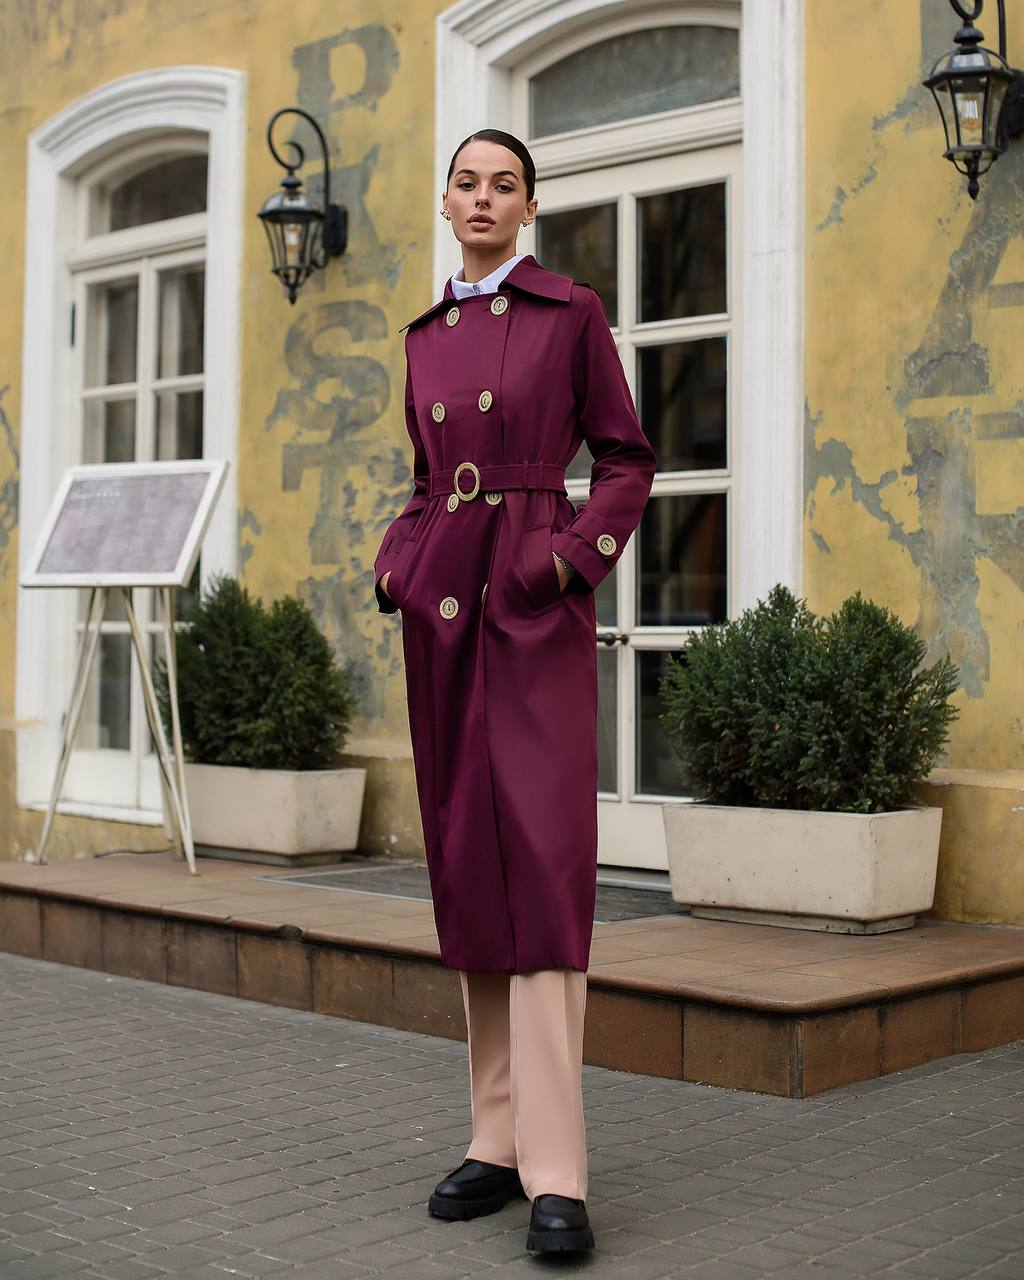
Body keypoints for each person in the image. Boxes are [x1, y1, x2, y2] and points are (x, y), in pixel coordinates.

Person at [372, 127, 657, 1255]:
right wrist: (397, 561)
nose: (483, 197)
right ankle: (493, 1141)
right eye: (466, 181)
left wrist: (564, 559)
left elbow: (625, 459)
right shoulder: (423, 337)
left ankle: (557, 1168)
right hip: (443, 616)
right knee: (470, 871)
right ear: (444, 202)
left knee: (540, 875)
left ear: (526, 207)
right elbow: (423, 479)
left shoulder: (568, 313)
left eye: (504, 184)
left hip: (530, 610)